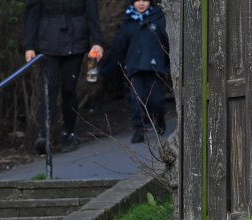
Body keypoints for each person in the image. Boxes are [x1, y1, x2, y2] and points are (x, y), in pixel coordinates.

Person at [24, 0, 105, 154]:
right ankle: (44, 133)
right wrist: (29, 45)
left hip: (75, 39)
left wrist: (97, 41)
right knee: (50, 88)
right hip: (48, 41)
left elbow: (92, 12)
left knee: (69, 89)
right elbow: (32, 12)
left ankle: (69, 132)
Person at [101, 0, 169, 143]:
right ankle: (139, 130)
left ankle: (159, 120)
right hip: (135, 67)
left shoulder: (158, 19)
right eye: (137, 1)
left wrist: (169, 63)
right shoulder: (129, 23)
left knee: (156, 100)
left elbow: (167, 42)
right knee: (137, 99)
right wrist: (107, 68)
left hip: (154, 67)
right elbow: (119, 47)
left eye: (144, 0)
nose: (141, 4)